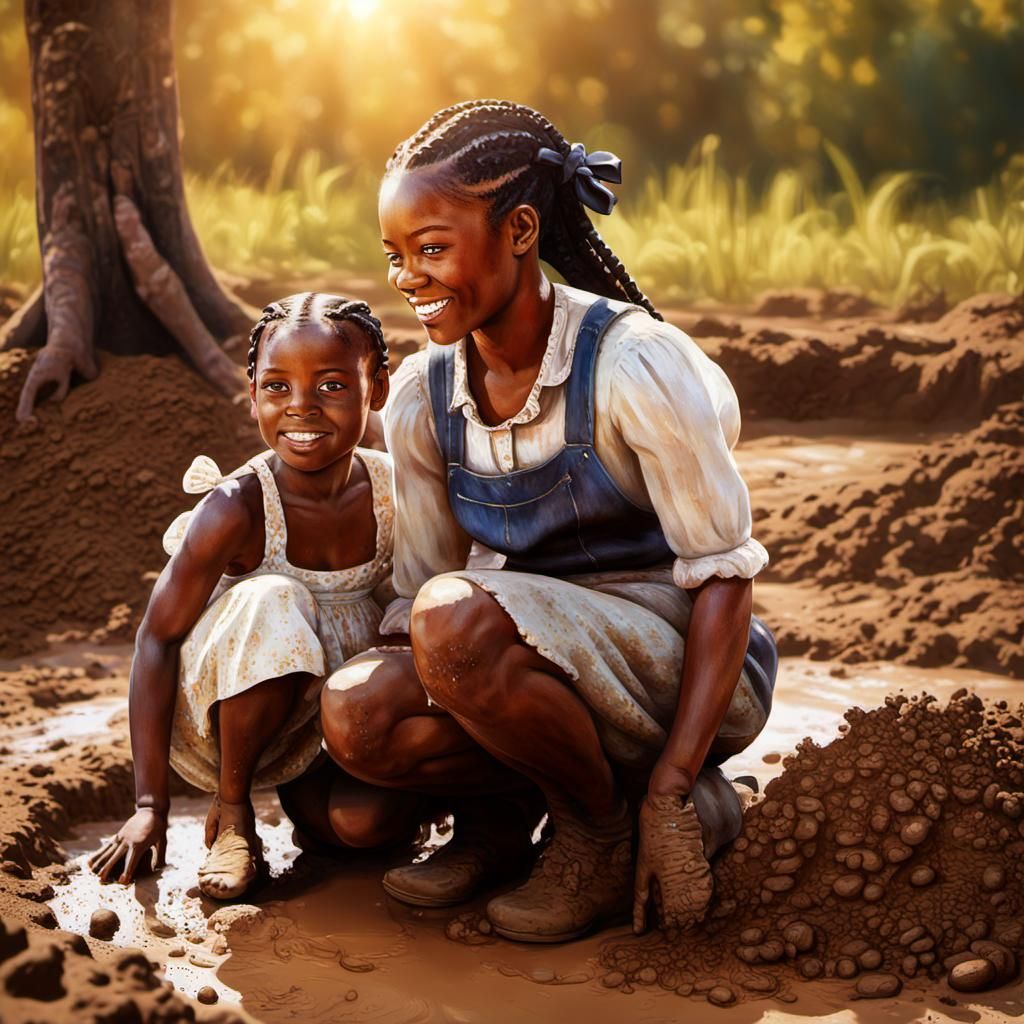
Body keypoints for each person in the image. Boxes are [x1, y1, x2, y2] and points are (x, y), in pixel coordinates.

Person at [318, 100, 778, 943]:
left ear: (520, 228)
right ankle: (502, 823)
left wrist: (674, 781)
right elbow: (420, 589)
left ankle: (607, 833)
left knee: (456, 621)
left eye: (431, 249)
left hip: (676, 659)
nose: (408, 278)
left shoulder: (633, 364)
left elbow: (725, 582)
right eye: (394, 256)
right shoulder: (425, 392)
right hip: (526, 659)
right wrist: (371, 757)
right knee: (359, 711)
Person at [89, 292, 416, 899]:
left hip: (343, 720)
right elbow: (156, 639)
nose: (302, 409)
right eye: (277, 387)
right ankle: (234, 818)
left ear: (378, 387)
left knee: (364, 829)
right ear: (252, 394)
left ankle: (324, 801)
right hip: (242, 707)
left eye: (332, 387)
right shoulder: (237, 506)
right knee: (273, 598)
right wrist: (148, 804)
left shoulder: (395, 488)